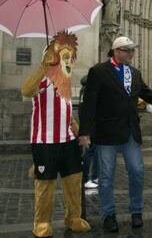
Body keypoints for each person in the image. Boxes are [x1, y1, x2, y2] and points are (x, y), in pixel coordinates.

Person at [78, 36, 152, 232]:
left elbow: (149, 95)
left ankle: (136, 211)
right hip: (107, 132)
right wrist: (84, 132)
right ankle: (108, 214)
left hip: (130, 132)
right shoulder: (99, 72)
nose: (132, 54)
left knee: (137, 171)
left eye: (133, 51)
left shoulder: (135, 73)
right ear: (117, 51)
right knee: (106, 176)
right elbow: (89, 104)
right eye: (128, 51)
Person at [21, 31, 91, 237]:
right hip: (45, 142)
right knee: (46, 184)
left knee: (73, 180)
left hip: (68, 142)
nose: (69, 59)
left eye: (71, 55)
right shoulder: (44, 79)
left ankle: (73, 217)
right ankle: (41, 222)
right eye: (64, 55)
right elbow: (26, 90)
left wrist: (80, 134)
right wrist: (44, 66)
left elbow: (67, 116)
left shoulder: (66, 83)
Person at [79, 75, 99, 189]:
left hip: (90, 127)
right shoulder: (89, 93)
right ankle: (86, 178)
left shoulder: (84, 92)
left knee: (94, 152)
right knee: (89, 152)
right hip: (91, 128)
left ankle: (94, 177)